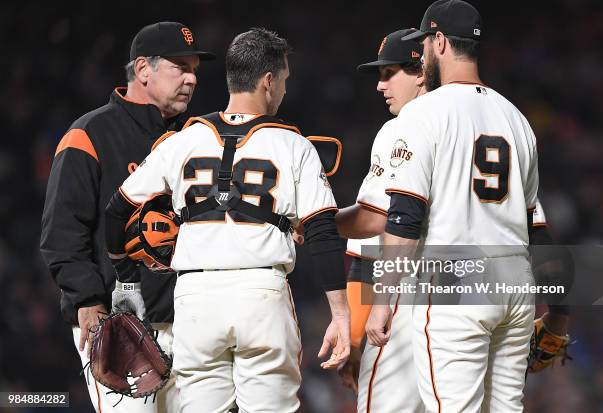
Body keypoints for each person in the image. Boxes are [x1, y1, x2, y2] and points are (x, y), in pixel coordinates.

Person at [103, 27, 350, 413]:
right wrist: (340, 313)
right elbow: (322, 231)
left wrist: (125, 277)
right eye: (283, 79)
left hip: (195, 297)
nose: (284, 89)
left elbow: (117, 210)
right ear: (268, 81)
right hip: (261, 291)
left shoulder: (182, 140)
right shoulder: (292, 143)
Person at [364, 0, 557, 411]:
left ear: (439, 42)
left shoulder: (423, 114)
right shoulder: (516, 118)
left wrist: (382, 301)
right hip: (514, 282)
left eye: (425, 44)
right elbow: (534, 227)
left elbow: (404, 217)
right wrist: (559, 313)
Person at [40, 21, 214, 412]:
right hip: (121, 325)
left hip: (193, 322)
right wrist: (87, 301)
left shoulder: (198, 137)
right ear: (142, 70)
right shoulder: (90, 133)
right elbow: (62, 232)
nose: (191, 79)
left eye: (194, 71)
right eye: (179, 67)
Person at [335, 29, 426, 413]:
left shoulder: (402, 128)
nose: (379, 85)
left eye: (389, 73)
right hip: (477, 297)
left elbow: (373, 225)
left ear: (420, 71)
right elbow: (533, 228)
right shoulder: (495, 119)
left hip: (406, 303)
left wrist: (314, 224)